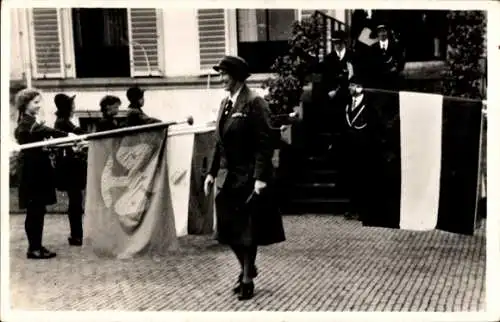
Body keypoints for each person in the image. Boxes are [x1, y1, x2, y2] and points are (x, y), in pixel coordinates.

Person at [203, 55, 286, 301]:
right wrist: (210, 172)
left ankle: (247, 278)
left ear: (237, 75)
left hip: (249, 177)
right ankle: (247, 268)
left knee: (248, 231)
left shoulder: (254, 102)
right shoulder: (224, 103)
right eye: (219, 74)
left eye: (224, 74)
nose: (220, 79)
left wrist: (260, 177)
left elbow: (265, 143)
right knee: (227, 230)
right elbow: (219, 142)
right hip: (228, 178)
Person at [14, 88, 69, 259]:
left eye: (39, 102)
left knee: (39, 210)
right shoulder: (27, 123)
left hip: (37, 170)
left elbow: (41, 135)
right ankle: (33, 248)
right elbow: (44, 131)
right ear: (25, 104)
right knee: (34, 210)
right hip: (32, 173)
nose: (39, 106)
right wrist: (68, 134)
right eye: (35, 102)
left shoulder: (31, 123)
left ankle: (37, 245)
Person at [53, 93, 87, 246]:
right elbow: (79, 133)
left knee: (76, 200)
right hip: (69, 166)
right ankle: (76, 235)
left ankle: (77, 234)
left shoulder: (63, 121)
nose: (74, 108)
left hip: (69, 164)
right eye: (72, 106)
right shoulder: (63, 122)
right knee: (75, 201)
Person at [339, 75, 375, 221]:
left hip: (364, 149)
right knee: (352, 179)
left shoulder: (369, 106)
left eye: (352, 85)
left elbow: (372, 127)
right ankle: (352, 207)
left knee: (364, 179)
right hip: (351, 149)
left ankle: (364, 209)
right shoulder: (348, 105)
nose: (350, 88)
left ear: (360, 88)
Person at [368, 23, 405, 90]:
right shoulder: (373, 47)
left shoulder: (395, 45)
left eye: (384, 31)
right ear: (377, 34)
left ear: (387, 32)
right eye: (380, 32)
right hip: (379, 79)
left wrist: (396, 68)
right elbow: (371, 62)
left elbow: (401, 59)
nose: (382, 34)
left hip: (393, 79)